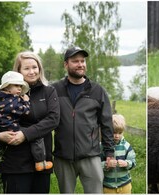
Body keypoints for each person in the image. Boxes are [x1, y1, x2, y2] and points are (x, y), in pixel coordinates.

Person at [0, 51, 60, 193]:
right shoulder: (4, 94)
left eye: (35, 67)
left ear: (39, 68)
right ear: (18, 71)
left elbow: (53, 119)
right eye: (26, 68)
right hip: (14, 162)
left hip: (41, 161)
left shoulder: (48, 91)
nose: (32, 72)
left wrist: (25, 134)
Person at [52, 46, 115, 193]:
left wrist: (109, 153)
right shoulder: (54, 89)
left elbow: (106, 124)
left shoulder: (97, 91)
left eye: (83, 61)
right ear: (66, 64)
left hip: (91, 155)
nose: (80, 64)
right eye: (75, 61)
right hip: (63, 156)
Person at [0, 71, 53, 172]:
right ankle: (40, 162)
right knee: (36, 137)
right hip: (11, 127)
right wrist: (26, 101)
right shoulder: (14, 101)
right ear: (6, 87)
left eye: (20, 86)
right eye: (16, 85)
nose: (19, 88)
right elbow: (26, 111)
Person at [101, 114, 136, 194]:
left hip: (125, 185)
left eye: (120, 133)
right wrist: (106, 164)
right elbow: (96, 165)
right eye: (114, 132)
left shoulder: (127, 146)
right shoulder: (102, 146)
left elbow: (133, 162)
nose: (117, 136)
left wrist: (126, 163)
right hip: (108, 186)